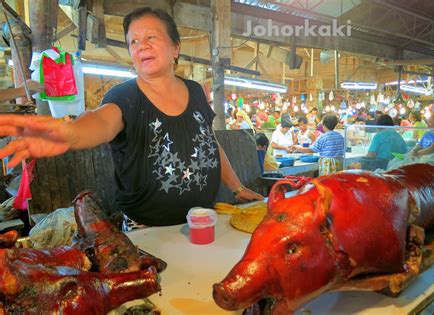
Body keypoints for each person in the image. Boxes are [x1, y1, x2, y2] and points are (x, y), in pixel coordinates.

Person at [0, 7, 262, 228]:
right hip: (147, 230)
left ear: (175, 48)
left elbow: (209, 144)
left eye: (151, 37)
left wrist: (237, 188)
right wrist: (73, 134)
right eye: (133, 42)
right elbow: (101, 121)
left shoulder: (195, 91)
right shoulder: (124, 96)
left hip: (203, 219)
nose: (141, 46)